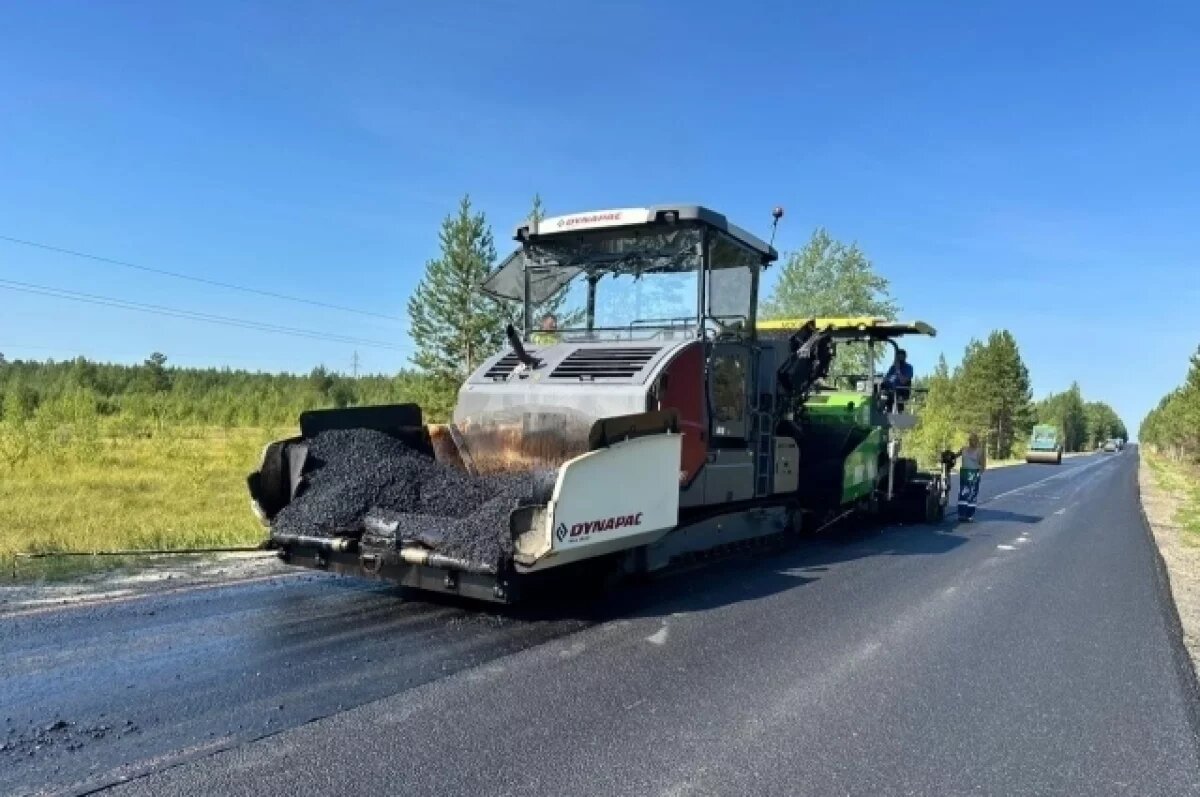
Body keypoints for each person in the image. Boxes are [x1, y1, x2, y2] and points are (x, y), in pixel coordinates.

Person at [955, 433, 987, 522]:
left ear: (977, 441)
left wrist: (979, 473)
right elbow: (955, 456)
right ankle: (961, 514)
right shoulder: (964, 449)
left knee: (972, 493)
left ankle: (969, 515)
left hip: (974, 473)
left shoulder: (980, 451)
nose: (972, 442)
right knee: (963, 493)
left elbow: (983, 465)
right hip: (964, 473)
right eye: (970, 440)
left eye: (973, 440)